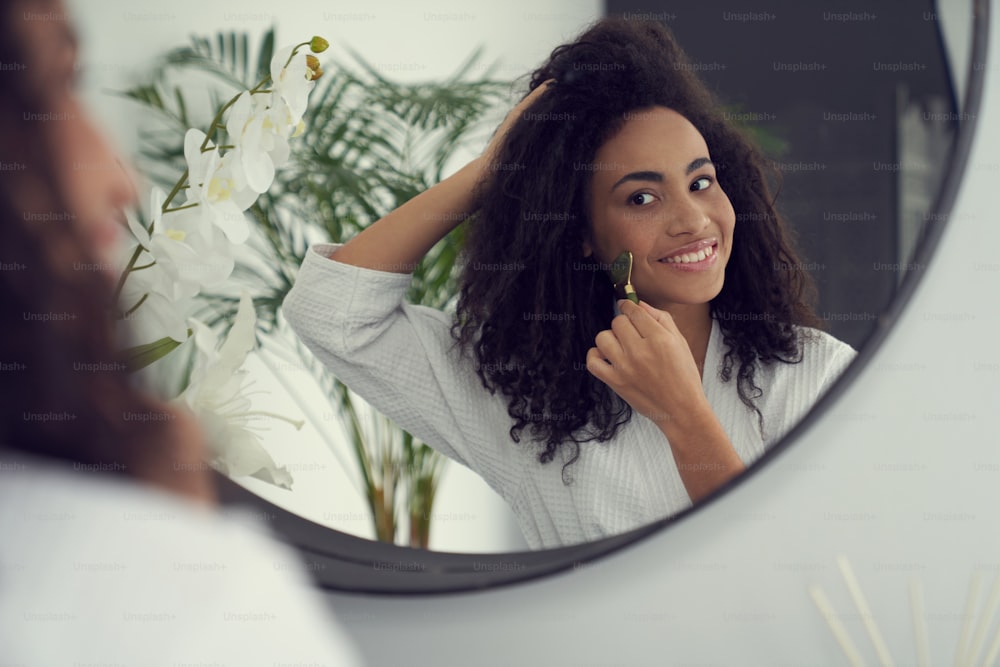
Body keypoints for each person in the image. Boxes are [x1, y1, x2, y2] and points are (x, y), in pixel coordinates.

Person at [284, 18, 856, 549]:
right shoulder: (519, 393)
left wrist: (685, 416)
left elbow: (802, 571)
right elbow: (331, 310)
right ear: (582, 232)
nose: (692, 221)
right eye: (642, 197)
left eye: (701, 182)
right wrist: (491, 173)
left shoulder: (814, 377)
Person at [0, 0, 364, 663]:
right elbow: (336, 309)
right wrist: (180, 554)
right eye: (61, 85)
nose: (123, 178)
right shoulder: (187, 600)